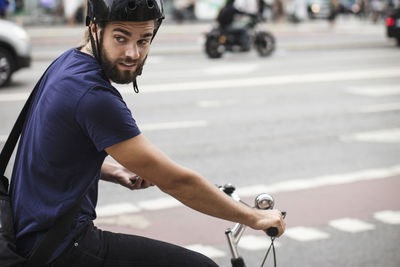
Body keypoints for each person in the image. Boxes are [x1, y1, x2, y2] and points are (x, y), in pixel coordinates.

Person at [9, 0, 286, 266]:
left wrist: (112, 171)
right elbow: (176, 181)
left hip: (29, 232)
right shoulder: (94, 97)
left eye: (143, 40)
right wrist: (253, 217)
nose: (133, 53)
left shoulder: (67, 63)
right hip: (60, 248)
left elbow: (53, 149)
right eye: (121, 37)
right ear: (95, 30)